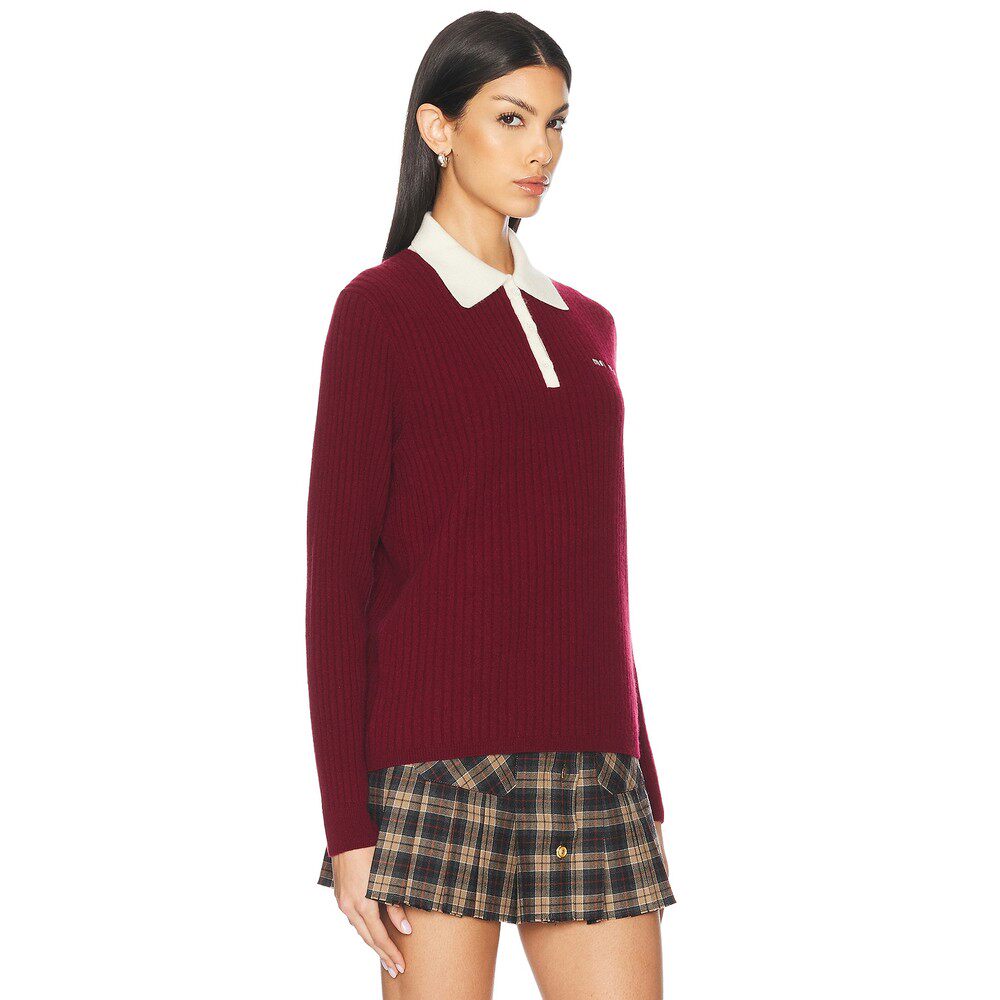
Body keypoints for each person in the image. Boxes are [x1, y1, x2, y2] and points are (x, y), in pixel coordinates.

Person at [306, 11, 676, 997]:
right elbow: (337, 584)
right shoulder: (380, 310)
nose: (540, 150)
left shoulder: (588, 324)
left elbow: (597, 563)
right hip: (434, 773)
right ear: (438, 127)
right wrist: (347, 827)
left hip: (592, 766)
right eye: (511, 119)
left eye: (556, 123)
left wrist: (640, 769)